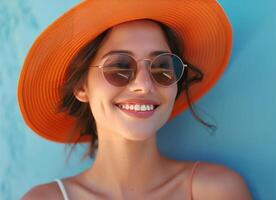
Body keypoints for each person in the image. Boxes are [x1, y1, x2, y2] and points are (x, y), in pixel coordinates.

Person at [19, 0, 252, 199]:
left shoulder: (215, 192)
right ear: (81, 87)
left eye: (161, 67)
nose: (144, 85)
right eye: (119, 66)